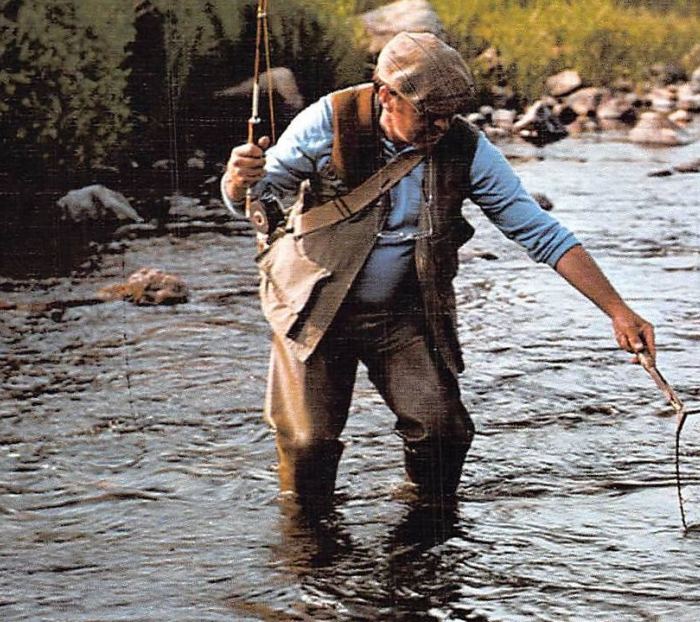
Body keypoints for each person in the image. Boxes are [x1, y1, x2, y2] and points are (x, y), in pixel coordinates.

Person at [223, 31, 655, 511]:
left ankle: (425, 526)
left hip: (402, 315)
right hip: (314, 309)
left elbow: (538, 231)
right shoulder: (331, 120)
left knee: (444, 433)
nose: (441, 126)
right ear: (387, 95)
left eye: (450, 115)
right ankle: (307, 548)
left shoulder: (467, 148)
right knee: (309, 445)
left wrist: (618, 310)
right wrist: (238, 180)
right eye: (428, 114)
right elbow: (259, 198)